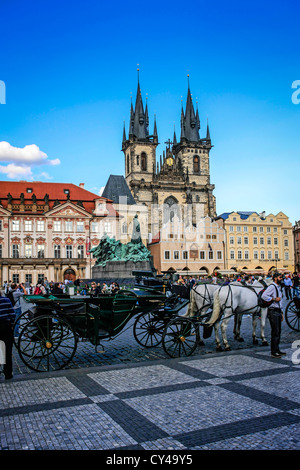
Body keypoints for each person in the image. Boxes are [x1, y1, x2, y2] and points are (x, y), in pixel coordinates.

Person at [261, 272, 286, 358]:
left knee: (278, 332)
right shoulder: (272, 287)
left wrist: (282, 313)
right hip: (273, 311)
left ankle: (277, 349)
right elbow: (263, 296)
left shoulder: (278, 287)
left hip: (278, 311)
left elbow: (281, 302)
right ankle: (273, 352)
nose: (281, 279)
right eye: (280, 277)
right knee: (275, 332)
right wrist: (273, 299)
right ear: (275, 278)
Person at [0, 293, 15, 380]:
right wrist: (11, 325)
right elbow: (12, 314)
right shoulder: (6, 300)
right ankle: (8, 373)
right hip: (6, 327)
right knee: (7, 352)